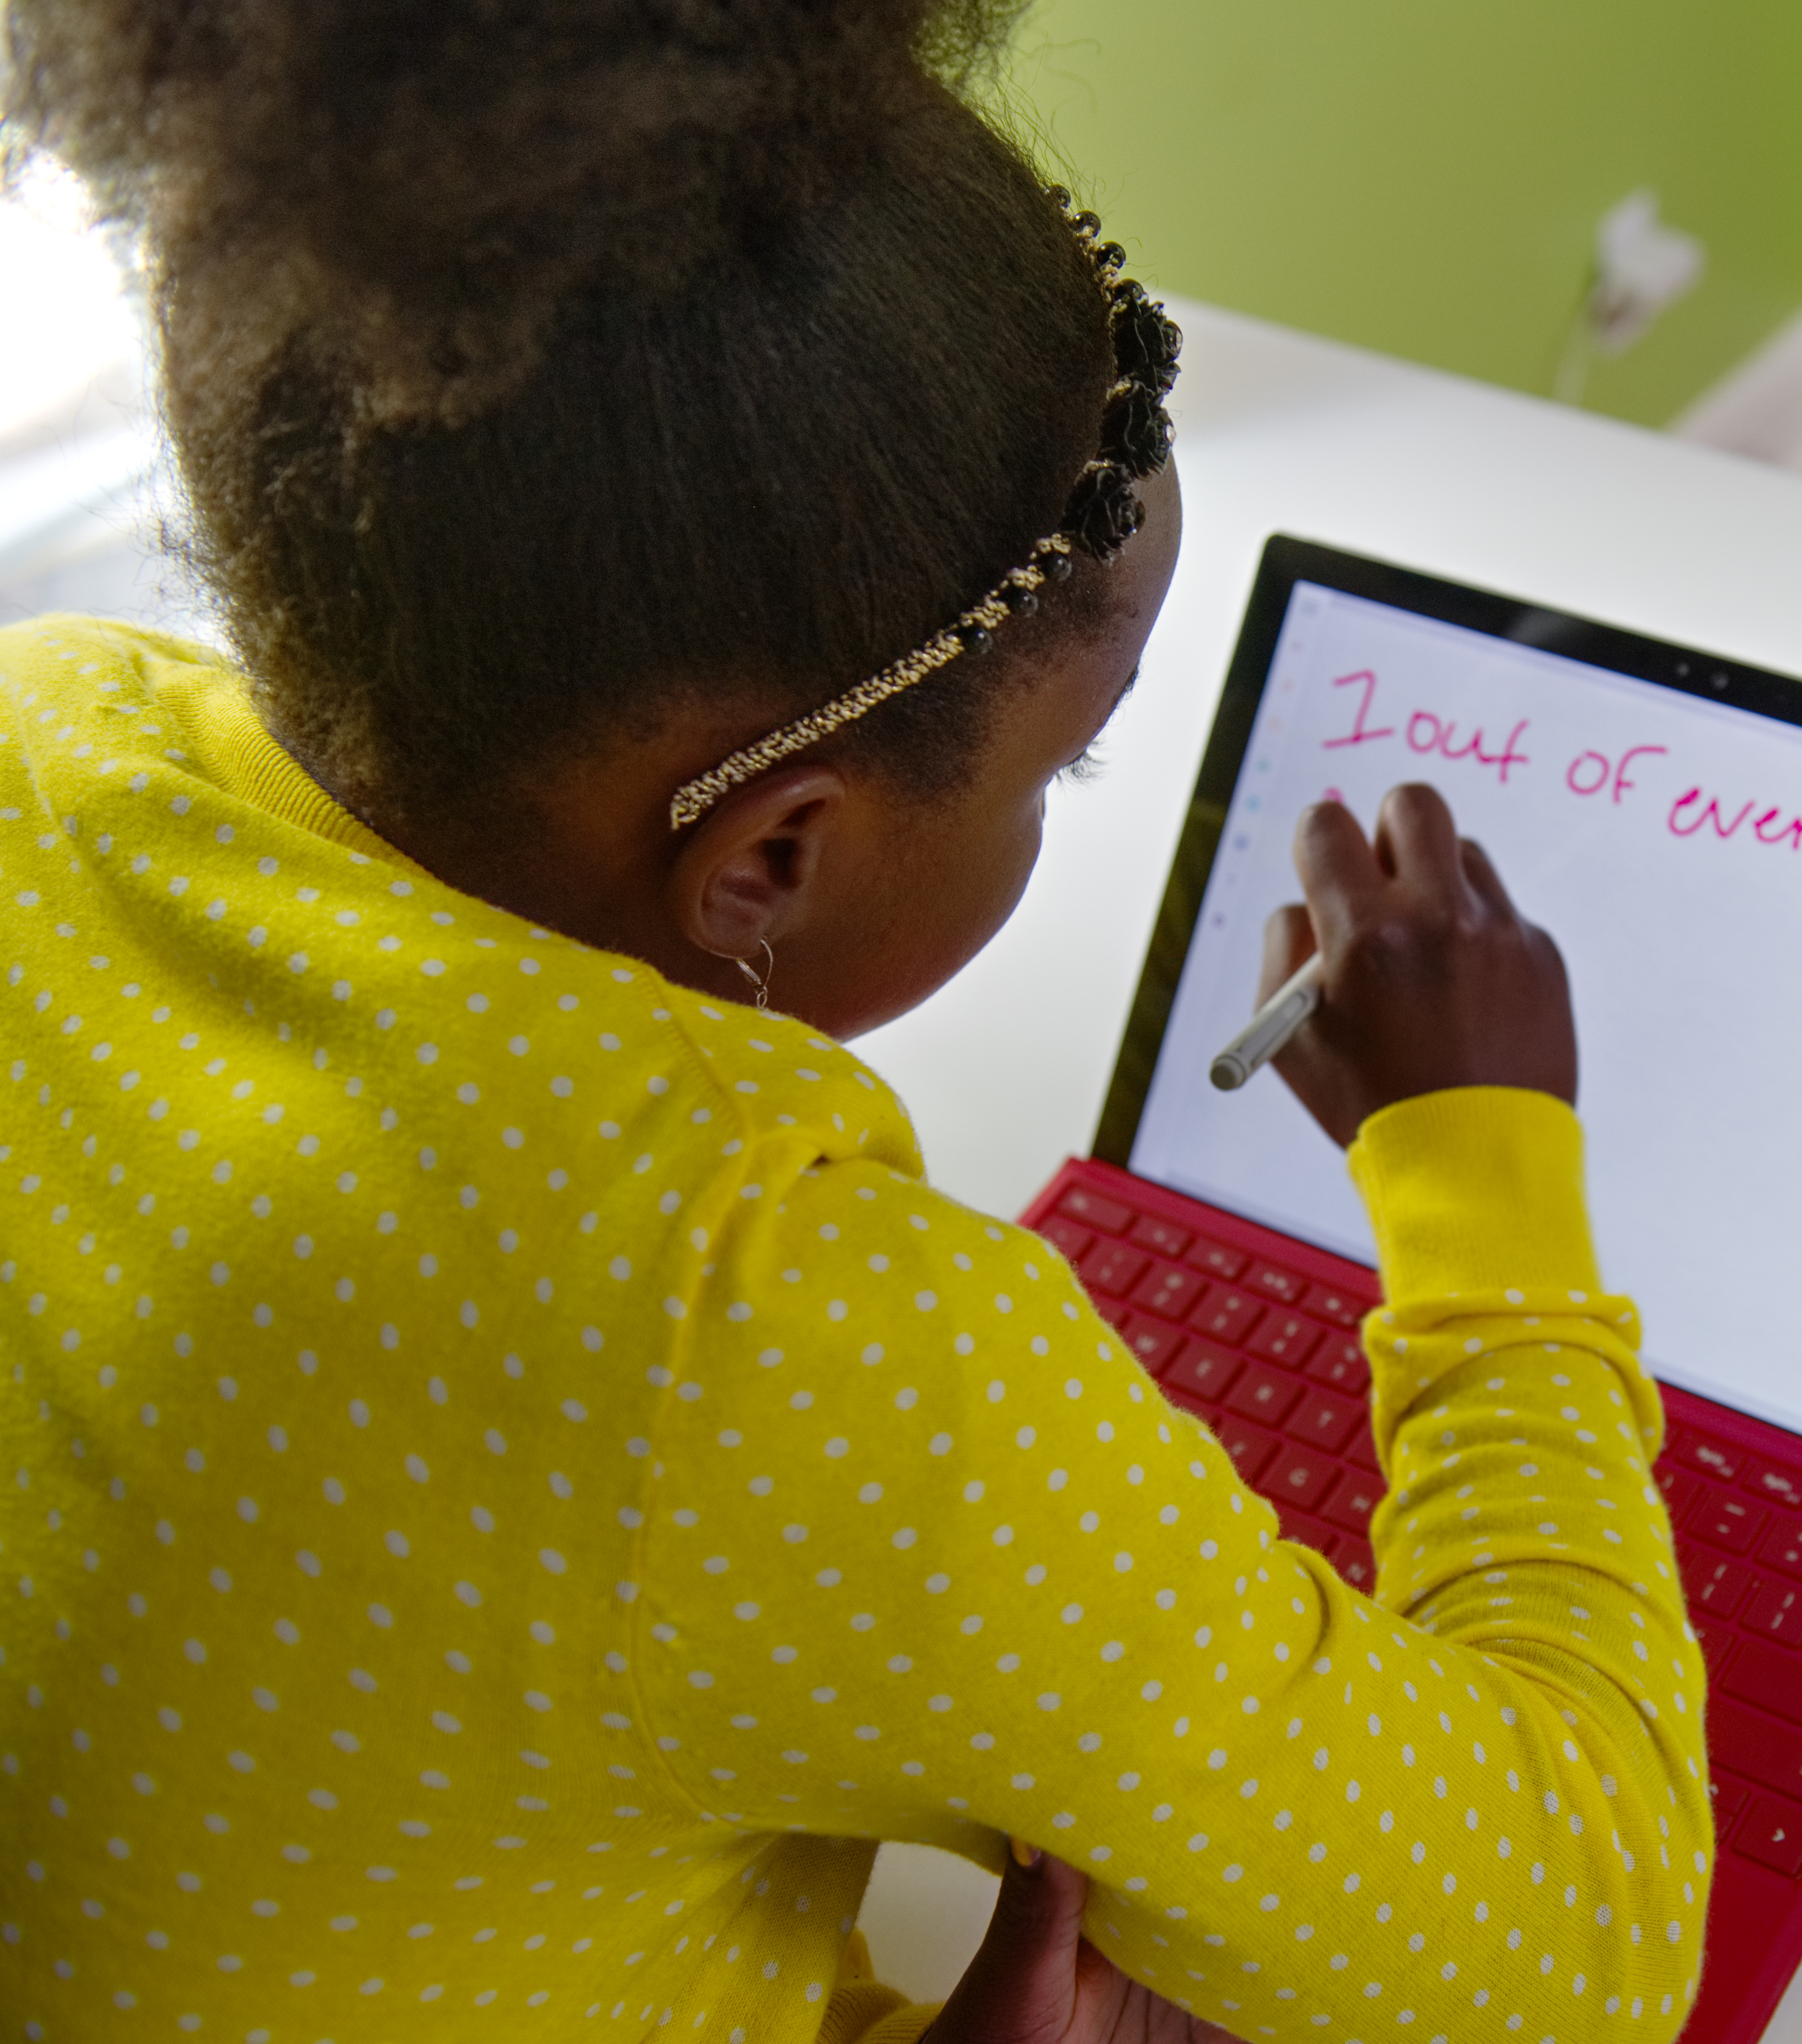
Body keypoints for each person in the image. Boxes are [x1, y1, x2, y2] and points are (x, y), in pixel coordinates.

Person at [0, 2, 1710, 2038]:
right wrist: (1481, 1171)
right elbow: (1575, 1949)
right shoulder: (766, 1346)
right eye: (1053, 775)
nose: (1054, 821)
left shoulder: (45, 725)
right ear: (773, 853)